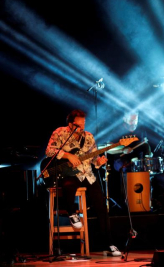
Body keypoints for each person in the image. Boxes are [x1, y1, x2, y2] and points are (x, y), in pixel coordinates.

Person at [44, 109, 121, 256]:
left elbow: (94, 158)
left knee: (101, 206)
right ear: (71, 125)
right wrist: (67, 156)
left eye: (83, 124)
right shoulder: (60, 133)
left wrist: (99, 161)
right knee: (68, 185)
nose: (82, 128)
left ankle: (109, 243)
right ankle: (72, 213)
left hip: (87, 174)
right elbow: (49, 151)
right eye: (79, 125)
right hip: (69, 173)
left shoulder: (89, 136)